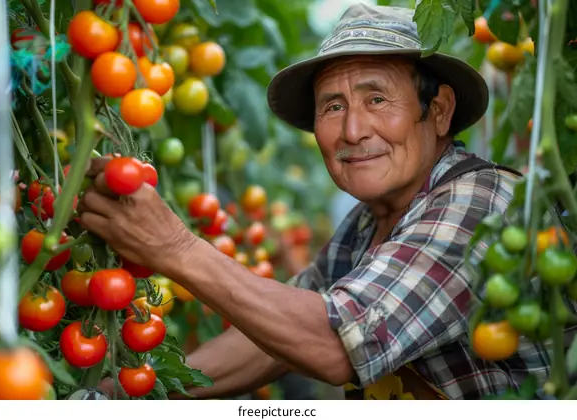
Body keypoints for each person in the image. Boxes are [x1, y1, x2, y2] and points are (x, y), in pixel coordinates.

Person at [80, 4, 541, 400]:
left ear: (438, 111)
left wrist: (175, 249)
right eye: (333, 107)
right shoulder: (367, 224)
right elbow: (270, 341)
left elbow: (340, 344)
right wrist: (130, 392)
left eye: (377, 99)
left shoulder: (481, 203)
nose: (353, 131)